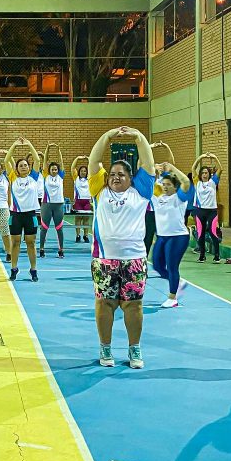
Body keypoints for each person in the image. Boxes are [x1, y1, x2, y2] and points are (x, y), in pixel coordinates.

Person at [87, 127, 156, 369]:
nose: (116, 177)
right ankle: (105, 348)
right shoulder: (99, 191)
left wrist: (139, 137)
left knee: (133, 305)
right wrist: (107, 136)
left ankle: (134, 349)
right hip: (105, 260)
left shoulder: (141, 192)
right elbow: (93, 160)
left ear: (131, 178)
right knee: (105, 304)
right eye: (112, 174)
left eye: (121, 174)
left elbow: (148, 163)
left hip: (134, 260)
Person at [151, 163, 194, 309]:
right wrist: (153, 168)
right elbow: (146, 180)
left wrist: (172, 168)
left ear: (175, 187)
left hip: (178, 237)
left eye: (169, 184)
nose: (165, 186)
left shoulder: (179, 198)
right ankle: (178, 282)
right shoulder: (157, 198)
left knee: (172, 266)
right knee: (157, 265)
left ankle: (173, 297)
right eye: (164, 184)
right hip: (162, 237)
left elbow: (186, 182)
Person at [4, 137, 41, 282]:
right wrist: (14, 145)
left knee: (31, 243)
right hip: (16, 215)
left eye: (26, 165)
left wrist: (29, 144)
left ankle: (33, 269)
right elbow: (7, 160)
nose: (24, 167)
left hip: (30, 215)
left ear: (29, 167)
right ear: (17, 169)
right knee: (16, 242)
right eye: (21, 166)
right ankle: (14, 268)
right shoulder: (13, 177)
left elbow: (37, 160)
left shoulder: (33, 177)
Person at [191, 152, 223, 263]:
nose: (205, 174)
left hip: (212, 212)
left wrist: (214, 157)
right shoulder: (197, 182)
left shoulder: (213, 182)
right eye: (203, 173)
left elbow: (220, 168)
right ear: (200, 174)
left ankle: (217, 255)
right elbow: (193, 168)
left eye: (206, 173)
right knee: (200, 234)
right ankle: (202, 256)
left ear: (209, 174)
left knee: (213, 233)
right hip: (199, 211)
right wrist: (201, 157)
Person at [38, 143, 66, 259]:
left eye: (56, 169)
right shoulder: (45, 175)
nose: (54, 170)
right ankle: (41, 249)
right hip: (46, 205)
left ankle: (61, 250)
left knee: (59, 228)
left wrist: (58, 149)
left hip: (58, 205)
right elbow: (45, 162)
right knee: (44, 228)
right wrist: (48, 148)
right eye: (52, 169)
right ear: (48, 170)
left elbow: (61, 162)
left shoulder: (60, 176)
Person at [70, 156, 92, 243]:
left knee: (86, 219)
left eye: (85, 171)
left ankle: (86, 236)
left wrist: (89, 160)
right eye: (81, 171)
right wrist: (77, 158)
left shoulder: (90, 178)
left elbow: (92, 167)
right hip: (78, 201)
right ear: (79, 172)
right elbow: (72, 168)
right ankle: (78, 235)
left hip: (87, 201)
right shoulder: (76, 178)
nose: (83, 172)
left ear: (87, 172)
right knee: (78, 219)